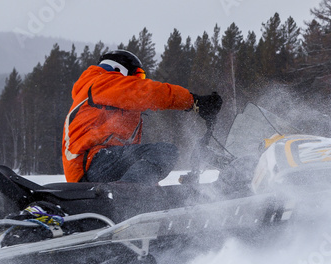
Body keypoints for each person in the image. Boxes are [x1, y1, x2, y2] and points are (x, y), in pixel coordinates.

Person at [61, 49, 222, 184]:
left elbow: (134, 162)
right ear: (118, 70)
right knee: (165, 153)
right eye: (137, 75)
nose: (138, 80)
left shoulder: (109, 99)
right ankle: (127, 201)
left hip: (96, 165)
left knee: (152, 157)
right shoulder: (101, 82)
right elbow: (147, 93)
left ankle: (140, 199)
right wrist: (194, 101)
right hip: (92, 163)